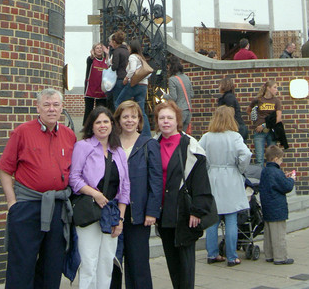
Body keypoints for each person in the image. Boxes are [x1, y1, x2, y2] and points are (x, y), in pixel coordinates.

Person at [0, 88, 77, 289]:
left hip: (57, 209)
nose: (52, 109)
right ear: (38, 107)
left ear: (62, 108)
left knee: (52, 265)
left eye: (56, 105)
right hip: (28, 207)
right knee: (21, 265)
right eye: (47, 105)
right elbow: (5, 170)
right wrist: (12, 204)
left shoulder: (69, 135)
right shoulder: (22, 132)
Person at [155, 100, 214, 289]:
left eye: (169, 118)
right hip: (164, 213)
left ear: (177, 120)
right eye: (162, 118)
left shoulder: (190, 146)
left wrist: (197, 210)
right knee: (172, 261)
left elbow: (200, 181)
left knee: (186, 264)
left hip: (184, 213)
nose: (165, 122)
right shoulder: (153, 145)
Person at [70, 106, 130, 289]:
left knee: (106, 262)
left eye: (106, 121)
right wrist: (94, 193)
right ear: (91, 125)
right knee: (89, 262)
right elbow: (74, 178)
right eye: (98, 122)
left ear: (112, 124)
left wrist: (120, 218)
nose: (102, 126)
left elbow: (125, 187)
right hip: (90, 212)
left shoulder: (118, 151)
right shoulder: (83, 146)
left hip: (111, 213)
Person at [110, 100, 162, 289]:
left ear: (140, 120)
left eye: (133, 117)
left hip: (138, 213)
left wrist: (152, 211)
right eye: (125, 117)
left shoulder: (148, 144)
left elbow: (155, 181)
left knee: (138, 264)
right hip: (114, 212)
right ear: (118, 119)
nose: (129, 121)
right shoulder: (111, 143)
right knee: (113, 264)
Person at [199, 106, 252, 266]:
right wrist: (240, 168)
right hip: (231, 178)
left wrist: (208, 168)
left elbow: (198, 154)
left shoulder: (207, 137)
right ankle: (231, 256)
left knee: (212, 220)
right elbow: (246, 154)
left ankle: (212, 254)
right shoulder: (234, 136)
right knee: (231, 218)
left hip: (212, 177)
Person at [259, 144, 295, 265]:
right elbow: (286, 187)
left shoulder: (265, 171)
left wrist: (283, 177)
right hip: (277, 207)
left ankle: (269, 255)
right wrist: (291, 179)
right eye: (281, 159)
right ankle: (280, 257)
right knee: (279, 234)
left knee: (268, 233)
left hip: (267, 206)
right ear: (275, 159)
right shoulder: (276, 172)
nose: (281, 162)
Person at [114, 39, 152, 137]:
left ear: (132, 48)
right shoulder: (141, 57)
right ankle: (146, 134)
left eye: (129, 47)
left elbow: (132, 70)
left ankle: (119, 126)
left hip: (134, 84)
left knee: (118, 102)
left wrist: (126, 78)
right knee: (141, 110)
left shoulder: (133, 57)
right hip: (143, 86)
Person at [246, 80, 282, 166]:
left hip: (271, 130)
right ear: (268, 88)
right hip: (259, 132)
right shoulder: (258, 100)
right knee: (259, 159)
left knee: (273, 158)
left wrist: (264, 125)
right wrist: (254, 119)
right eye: (275, 87)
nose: (276, 90)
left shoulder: (276, 101)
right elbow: (248, 110)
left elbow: (278, 118)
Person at [164, 57, 193, 132]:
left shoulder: (172, 79)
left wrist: (164, 96)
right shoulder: (186, 77)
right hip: (188, 110)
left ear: (170, 66)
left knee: (176, 134)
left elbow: (173, 97)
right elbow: (192, 94)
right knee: (184, 136)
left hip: (179, 111)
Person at [84, 43, 109, 125]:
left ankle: (98, 124)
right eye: (97, 48)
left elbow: (109, 64)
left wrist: (108, 54)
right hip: (91, 87)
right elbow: (90, 59)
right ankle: (87, 125)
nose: (99, 49)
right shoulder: (90, 60)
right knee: (89, 108)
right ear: (94, 50)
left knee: (101, 109)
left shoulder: (105, 60)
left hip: (101, 88)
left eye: (100, 48)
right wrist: (92, 55)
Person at [217, 76, 248, 141]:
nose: (218, 87)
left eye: (219, 85)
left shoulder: (228, 97)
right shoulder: (228, 96)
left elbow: (229, 114)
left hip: (236, 128)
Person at [109, 31, 130, 108]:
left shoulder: (116, 51)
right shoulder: (126, 51)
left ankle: (118, 118)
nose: (110, 44)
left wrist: (111, 64)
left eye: (111, 42)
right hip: (126, 77)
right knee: (125, 101)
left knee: (117, 101)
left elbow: (115, 67)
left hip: (119, 78)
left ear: (114, 42)